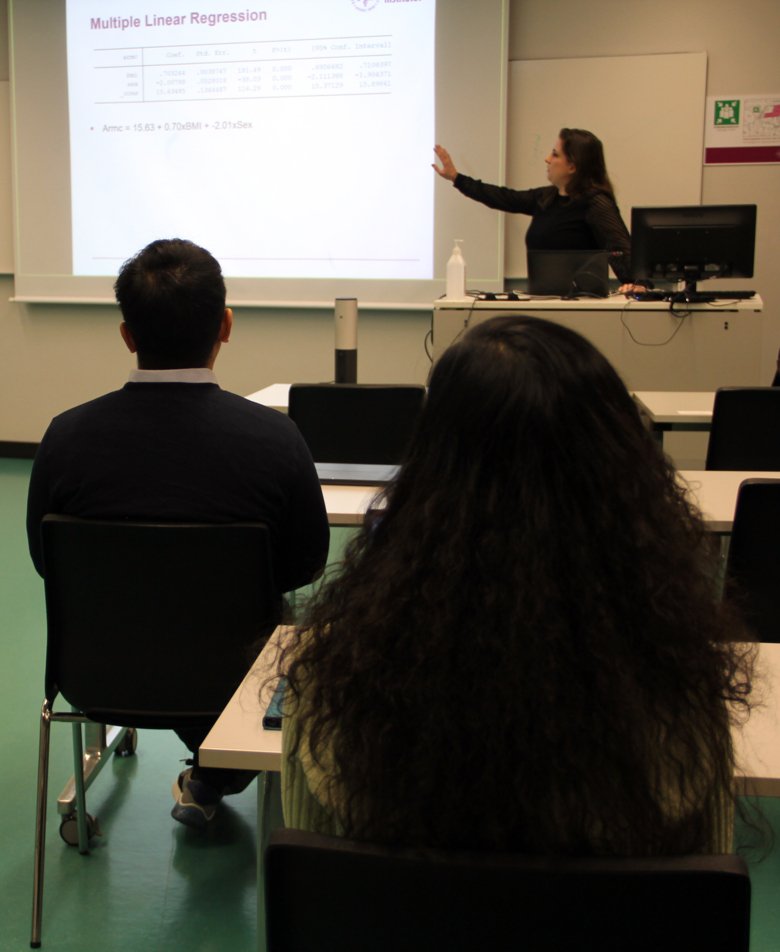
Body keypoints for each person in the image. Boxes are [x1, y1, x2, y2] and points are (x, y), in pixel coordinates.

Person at [280, 314, 754, 856]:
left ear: (427, 470)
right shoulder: (680, 691)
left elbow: (314, 887)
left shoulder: (333, 678)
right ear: (625, 481)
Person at [27, 237, 330, 830]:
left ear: (127, 335)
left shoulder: (64, 438)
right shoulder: (275, 442)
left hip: (97, 672)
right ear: (226, 325)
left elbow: (47, 561)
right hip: (237, 680)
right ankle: (216, 772)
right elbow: (304, 566)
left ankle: (206, 772)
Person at [433, 129, 639, 288]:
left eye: (555, 154)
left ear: (572, 166)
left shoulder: (596, 203)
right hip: (543, 300)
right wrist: (456, 178)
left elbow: (620, 248)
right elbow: (504, 197)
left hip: (582, 307)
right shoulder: (546, 198)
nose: (547, 159)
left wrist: (636, 283)